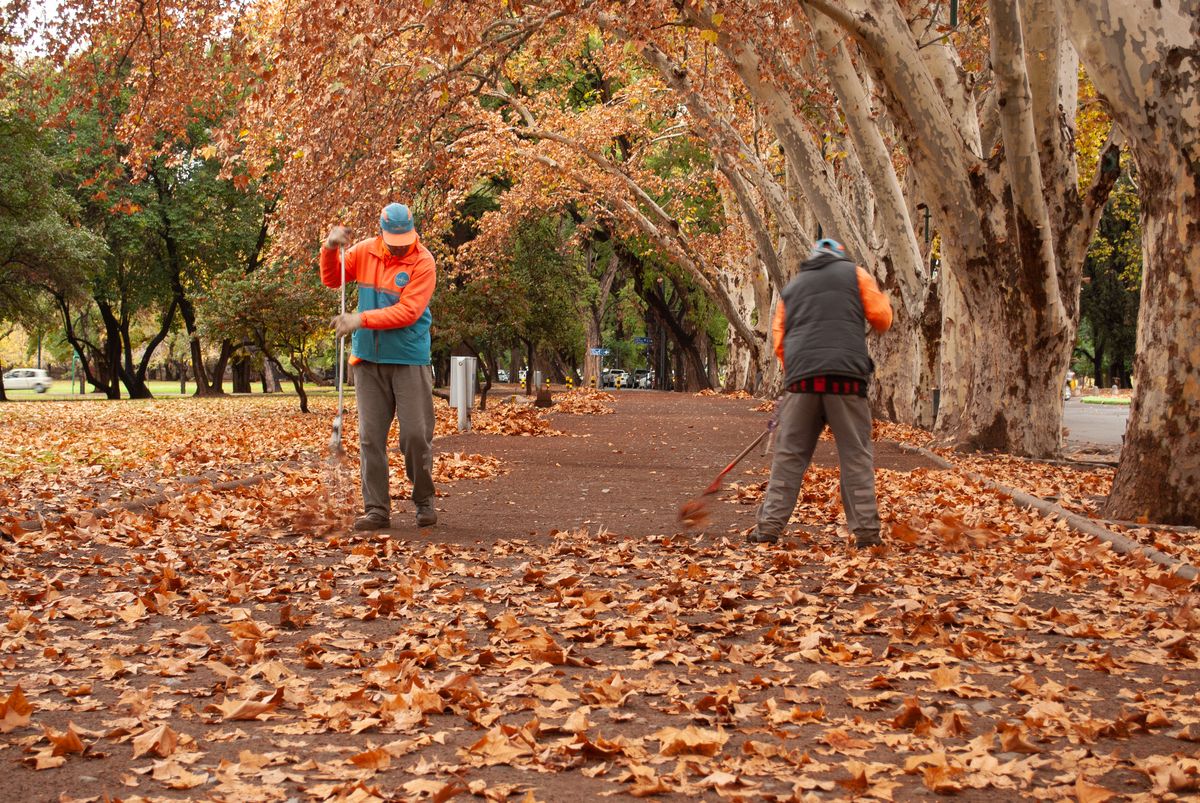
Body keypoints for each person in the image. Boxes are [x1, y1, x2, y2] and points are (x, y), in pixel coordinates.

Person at [750, 238, 893, 548]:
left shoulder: (793, 287)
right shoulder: (857, 275)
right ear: (840, 256)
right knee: (855, 455)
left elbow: (779, 339)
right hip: (846, 380)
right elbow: (882, 318)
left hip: (802, 382)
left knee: (788, 457)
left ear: (812, 259)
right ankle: (867, 534)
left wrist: (797, 373)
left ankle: (768, 530)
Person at [322, 203, 438, 530]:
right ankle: (376, 509)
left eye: (405, 238)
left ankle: (424, 499)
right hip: (368, 361)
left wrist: (360, 319)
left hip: (408, 358)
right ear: (381, 232)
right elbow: (334, 279)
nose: (400, 244)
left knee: (415, 435)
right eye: (394, 238)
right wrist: (330, 248)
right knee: (371, 438)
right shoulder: (363, 252)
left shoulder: (423, 262)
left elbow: (409, 311)